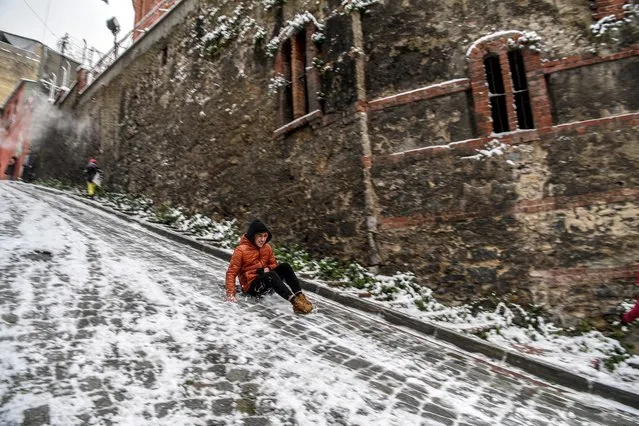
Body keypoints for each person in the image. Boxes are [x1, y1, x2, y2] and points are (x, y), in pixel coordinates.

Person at [225, 219, 313, 314]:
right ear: (252, 236)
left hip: (266, 282)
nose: (263, 239)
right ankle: (296, 304)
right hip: (252, 288)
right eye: (260, 236)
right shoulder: (241, 251)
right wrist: (230, 294)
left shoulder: (267, 248)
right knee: (271, 275)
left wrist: (267, 269)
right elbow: (231, 273)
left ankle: (300, 297)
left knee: (285, 267)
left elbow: (273, 264)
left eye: (265, 236)